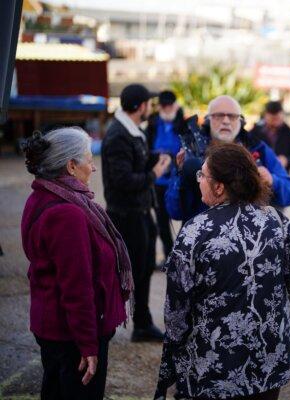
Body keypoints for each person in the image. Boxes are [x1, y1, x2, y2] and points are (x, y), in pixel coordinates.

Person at [154, 143, 290, 400]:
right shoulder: (275, 219)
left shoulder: (196, 230)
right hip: (268, 359)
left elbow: (176, 308)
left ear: (219, 187)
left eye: (202, 175)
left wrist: (175, 352)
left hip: (215, 363)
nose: (199, 181)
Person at [21, 127, 133, 399]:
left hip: (58, 327)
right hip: (71, 335)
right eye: (88, 159)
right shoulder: (68, 212)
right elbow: (77, 287)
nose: (94, 168)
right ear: (71, 166)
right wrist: (88, 345)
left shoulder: (46, 194)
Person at [101, 83, 171, 342]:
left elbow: (137, 160)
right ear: (140, 106)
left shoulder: (129, 131)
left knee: (143, 268)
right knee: (124, 271)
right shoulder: (118, 135)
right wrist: (155, 173)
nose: (150, 108)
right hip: (126, 215)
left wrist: (159, 157)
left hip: (140, 212)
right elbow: (123, 181)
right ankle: (110, 321)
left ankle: (142, 323)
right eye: (148, 104)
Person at [173, 95, 290, 222]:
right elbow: (174, 211)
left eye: (232, 116)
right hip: (202, 234)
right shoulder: (191, 151)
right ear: (208, 120)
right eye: (219, 115)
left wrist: (272, 180)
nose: (226, 121)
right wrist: (182, 176)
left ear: (240, 121)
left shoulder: (257, 148)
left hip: (249, 234)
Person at [146, 90, 185, 263]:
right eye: (164, 105)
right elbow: (145, 148)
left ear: (175, 105)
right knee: (162, 220)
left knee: (186, 217)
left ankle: (183, 253)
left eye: (170, 105)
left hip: (178, 180)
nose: (167, 108)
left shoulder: (183, 124)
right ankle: (169, 254)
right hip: (158, 180)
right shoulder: (153, 124)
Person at [249, 100, 290, 173]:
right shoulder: (254, 132)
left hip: (281, 176)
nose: (275, 121)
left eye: (277, 118)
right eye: (272, 119)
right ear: (265, 115)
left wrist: (287, 160)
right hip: (259, 175)